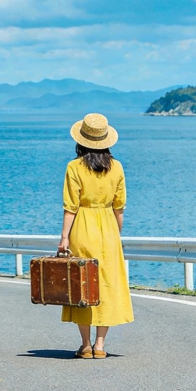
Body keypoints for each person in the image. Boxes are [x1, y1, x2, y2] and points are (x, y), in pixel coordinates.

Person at [58, 112, 133, 359]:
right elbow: (119, 207)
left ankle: (86, 344)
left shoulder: (74, 167)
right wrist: (115, 234)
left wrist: (64, 239)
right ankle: (101, 345)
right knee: (107, 285)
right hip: (109, 229)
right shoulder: (117, 167)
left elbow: (71, 206)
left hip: (82, 227)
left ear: (80, 140)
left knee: (83, 285)